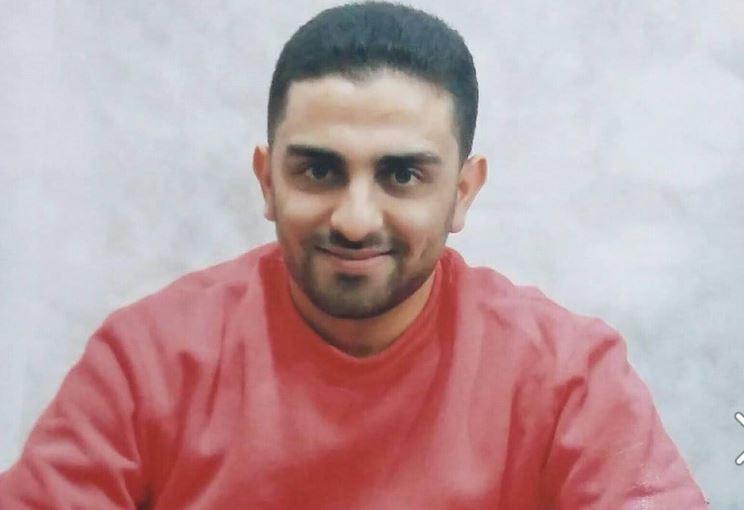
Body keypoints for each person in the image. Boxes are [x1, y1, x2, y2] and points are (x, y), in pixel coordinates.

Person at [0, 2, 707, 508]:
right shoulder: (145, 364)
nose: (355, 218)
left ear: (462, 193)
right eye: (319, 170)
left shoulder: (566, 378)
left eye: (402, 175)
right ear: (266, 181)